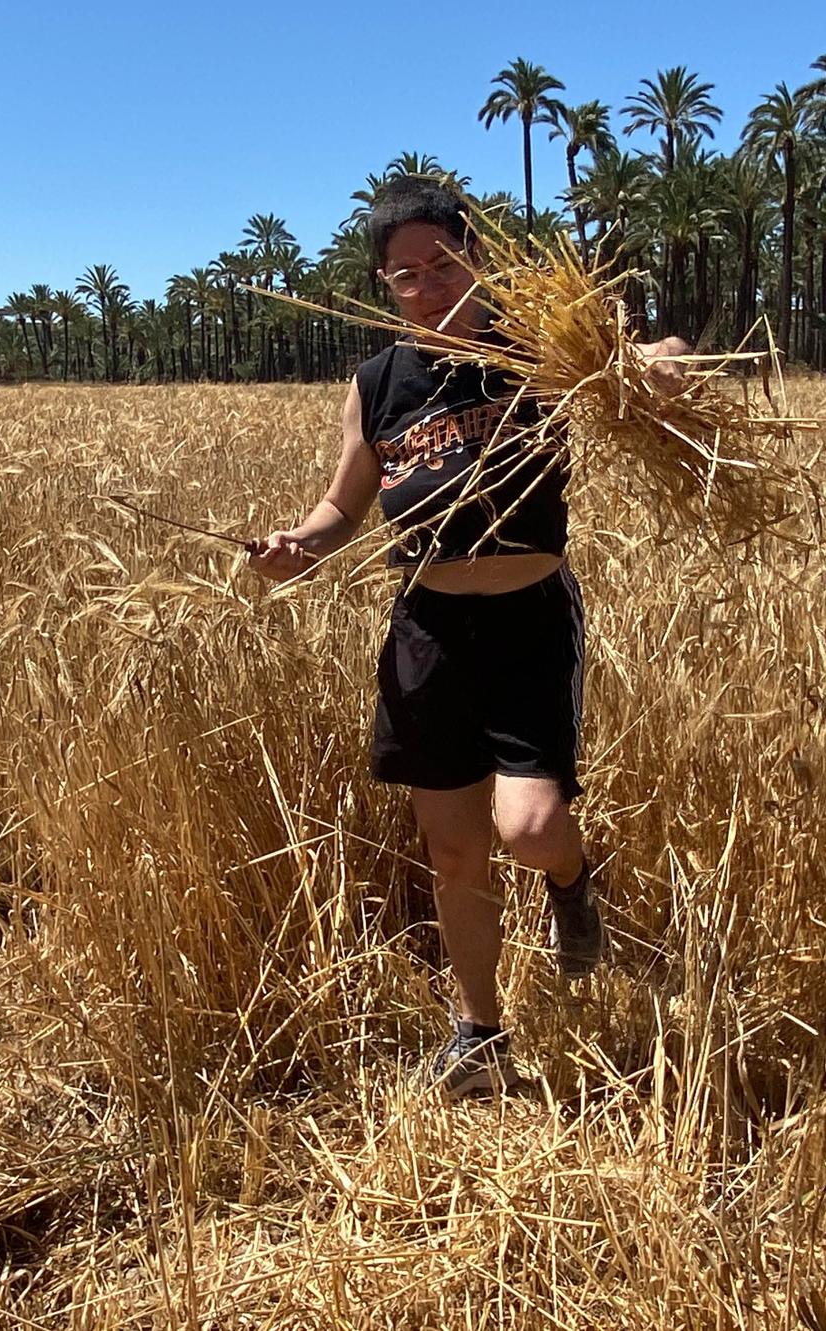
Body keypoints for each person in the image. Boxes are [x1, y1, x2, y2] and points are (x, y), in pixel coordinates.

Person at [247, 175, 689, 1096]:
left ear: (474, 257)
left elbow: (651, 354)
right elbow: (343, 504)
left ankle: (570, 881)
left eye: (442, 264)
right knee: (454, 852)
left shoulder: (539, 346)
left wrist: (660, 365)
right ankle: (481, 1032)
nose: (428, 286)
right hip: (429, 629)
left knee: (529, 828)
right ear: (384, 285)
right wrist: (301, 544)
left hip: (528, 617)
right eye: (405, 275)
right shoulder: (378, 386)